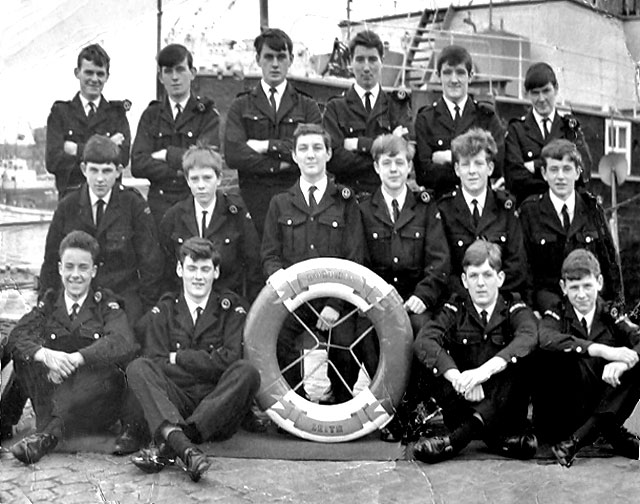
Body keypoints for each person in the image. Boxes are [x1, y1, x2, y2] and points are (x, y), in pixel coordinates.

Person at [124, 237, 260, 482]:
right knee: (138, 367)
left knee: (247, 372)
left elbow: (230, 361)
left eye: (205, 269)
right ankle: (186, 447)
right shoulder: (164, 310)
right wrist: (208, 364)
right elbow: (156, 361)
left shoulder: (231, 309)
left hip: (217, 404)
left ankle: (174, 441)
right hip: (177, 401)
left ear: (216, 272)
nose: (198, 277)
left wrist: (179, 358)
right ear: (180, 270)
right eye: (192, 269)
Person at [6, 230, 138, 464]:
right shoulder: (49, 303)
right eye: (69, 267)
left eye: (83, 268)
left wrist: (78, 358)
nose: (75, 275)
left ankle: (46, 436)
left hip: (93, 400)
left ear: (93, 271)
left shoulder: (105, 304)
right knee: (23, 356)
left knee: (106, 375)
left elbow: (122, 340)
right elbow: (17, 335)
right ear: (59, 268)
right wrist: (45, 355)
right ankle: (7, 420)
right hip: (56, 392)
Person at [261, 123, 365, 403]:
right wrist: (287, 291)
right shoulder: (280, 203)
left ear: (329, 154)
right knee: (278, 343)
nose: (311, 155)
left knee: (344, 346)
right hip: (294, 301)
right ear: (294, 156)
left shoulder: (345, 201)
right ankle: (297, 405)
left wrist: (335, 305)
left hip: (335, 301)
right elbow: (270, 256)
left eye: (318, 148)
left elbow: (355, 258)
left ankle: (339, 404)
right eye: (303, 149)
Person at [358, 133, 450, 441]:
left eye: (400, 162)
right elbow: (358, 260)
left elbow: (439, 261)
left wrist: (423, 296)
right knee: (368, 337)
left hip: (415, 300)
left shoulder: (425, 208)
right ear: (376, 168)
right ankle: (387, 410)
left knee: (424, 335)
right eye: (387, 163)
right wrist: (381, 293)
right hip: (378, 300)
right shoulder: (363, 209)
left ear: (409, 167)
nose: (394, 169)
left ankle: (412, 407)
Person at [412, 240, 538, 463]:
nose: (481, 283)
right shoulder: (455, 308)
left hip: (505, 412)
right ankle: (498, 442)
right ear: (464, 280)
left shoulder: (513, 307)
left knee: (519, 361)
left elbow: (528, 336)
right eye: (473, 276)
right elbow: (425, 340)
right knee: (433, 358)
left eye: (487, 275)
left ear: (500, 278)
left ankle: (455, 441)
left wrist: (483, 373)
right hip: (464, 404)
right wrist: (459, 378)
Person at [40, 134, 163, 324]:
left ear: (118, 171)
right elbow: (51, 261)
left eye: (106, 171)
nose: (99, 179)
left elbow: (151, 265)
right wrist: (46, 305)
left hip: (123, 300)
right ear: (83, 169)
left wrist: (145, 313)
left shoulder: (133, 205)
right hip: (77, 298)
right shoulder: (68, 206)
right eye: (94, 170)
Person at [536, 249, 640, 467]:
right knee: (562, 354)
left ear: (599, 282)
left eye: (587, 286)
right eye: (574, 288)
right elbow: (545, 338)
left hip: (598, 405)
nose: (581, 295)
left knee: (636, 361)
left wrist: (622, 363)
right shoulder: (556, 313)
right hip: (564, 413)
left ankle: (577, 441)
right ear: (563, 288)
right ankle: (607, 432)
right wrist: (601, 350)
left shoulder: (610, 313)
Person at [224, 28, 321, 238]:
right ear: (258, 59)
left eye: (281, 57)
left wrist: (265, 146)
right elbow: (233, 154)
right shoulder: (241, 105)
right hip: (253, 202)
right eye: (268, 57)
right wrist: (280, 163)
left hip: (296, 201)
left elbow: (313, 151)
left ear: (291, 59)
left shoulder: (307, 106)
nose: (275, 64)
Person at [518, 139, 623, 314]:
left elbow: (610, 262)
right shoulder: (530, 212)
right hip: (548, 308)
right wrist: (530, 311)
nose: (560, 176)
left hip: (591, 306)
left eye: (567, 169)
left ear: (577, 172)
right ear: (544, 173)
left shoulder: (592, 209)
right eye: (554, 170)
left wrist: (616, 307)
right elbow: (524, 270)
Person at [159, 144, 262, 301]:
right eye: (194, 179)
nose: (201, 186)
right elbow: (165, 270)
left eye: (207, 178)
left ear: (219, 178)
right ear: (187, 180)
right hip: (186, 301)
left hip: (228, 301)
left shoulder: (236, 214)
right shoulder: (174, 217)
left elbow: (253, 266)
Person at [131, 43, 220, 227]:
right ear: (160, 77)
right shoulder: (151, 116)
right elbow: (138, 164)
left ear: (192, 73)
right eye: (168, 71)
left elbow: (203, 161)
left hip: (193, 202)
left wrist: (166, 155)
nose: (175, 77)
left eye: (180, 70)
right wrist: (181, 168)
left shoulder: (207, 115)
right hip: (159, 206)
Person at [438, 128, 527, 297]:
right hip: (459, 301)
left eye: (478, 164)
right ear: (457, 169)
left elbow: (516, 265)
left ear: (490, 168)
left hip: (501, 300)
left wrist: (489, 296)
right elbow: (444, 269)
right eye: (465, 164)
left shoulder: (505, 209)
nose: (472, 171)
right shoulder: (444, 210)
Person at [323, 30, 413, 196]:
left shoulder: (396, 106)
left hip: (386, 197)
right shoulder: (335, 107)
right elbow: (333, 160)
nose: (366, 67)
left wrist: (357, 144)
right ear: (350, 62)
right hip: (347, 198)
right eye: (359, 60)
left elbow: (405, 152)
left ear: (382, 61)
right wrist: (383, 151)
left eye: (372, 59)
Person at [414, 45, 504, 198]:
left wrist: (450, 157)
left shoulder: (486, 117)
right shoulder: (426, 119)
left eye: (460, 73)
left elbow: (497, 166)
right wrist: (475, 163)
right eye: (447, 73)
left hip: (479, 206)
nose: (454, 80)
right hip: (441, 206)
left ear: (470, 76)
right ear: (438, 75)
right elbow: (424, 174)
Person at [45, 43, 131, 199]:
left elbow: (122, 159)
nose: (94, 79)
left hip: (110, 202)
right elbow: (53, 162)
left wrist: (76, 150)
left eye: (100, 74)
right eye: (89, 73)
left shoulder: (117, 115)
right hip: (71, 200)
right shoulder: (60, 114)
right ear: (77, 73)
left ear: (107, 77)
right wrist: (107, 146)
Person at [504, 62, 591, 205]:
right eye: (535, 93)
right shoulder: (516, 130)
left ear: (556, 89)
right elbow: (514, 180)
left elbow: (584, 171)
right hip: (530, 214)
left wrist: (537, 166)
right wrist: (561, 179)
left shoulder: (569, 128)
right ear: (527, 94)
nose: (541, 99)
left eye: (546, 91)